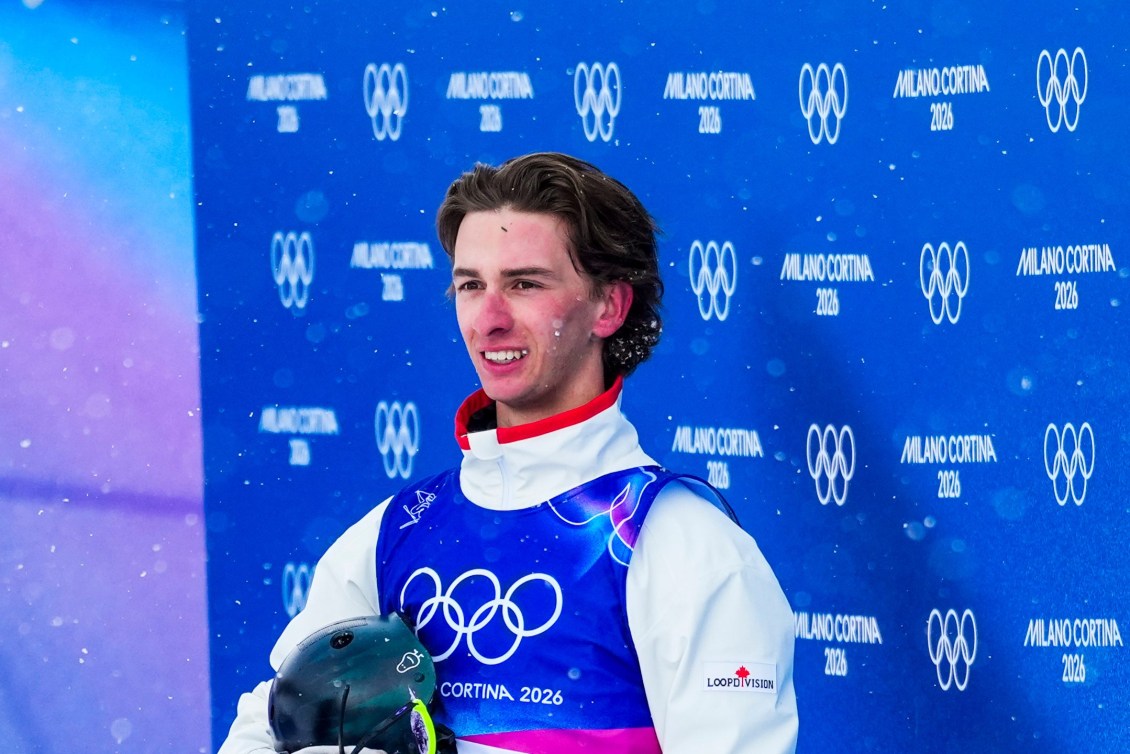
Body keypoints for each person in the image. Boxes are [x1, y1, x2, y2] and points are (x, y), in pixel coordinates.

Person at [218, 152, 798, 754]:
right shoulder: (395, 531)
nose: (488, 319)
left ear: (609, 307)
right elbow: (270, 725)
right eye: (471, 285)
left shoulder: (683, 545)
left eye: (524, 284)